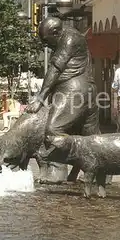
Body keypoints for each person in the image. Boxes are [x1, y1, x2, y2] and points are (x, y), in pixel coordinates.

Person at [25, 17, 102, 183]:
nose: (45, 44)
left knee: (54, 130)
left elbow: (55, 69)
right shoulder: (74, 36)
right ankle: (102, 173)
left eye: (46, 40)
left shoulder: (68, 38)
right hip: (87, 88)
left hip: (73, 90)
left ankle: (57, 172)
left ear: (55, 32)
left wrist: (40, 98)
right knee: (90, 136)